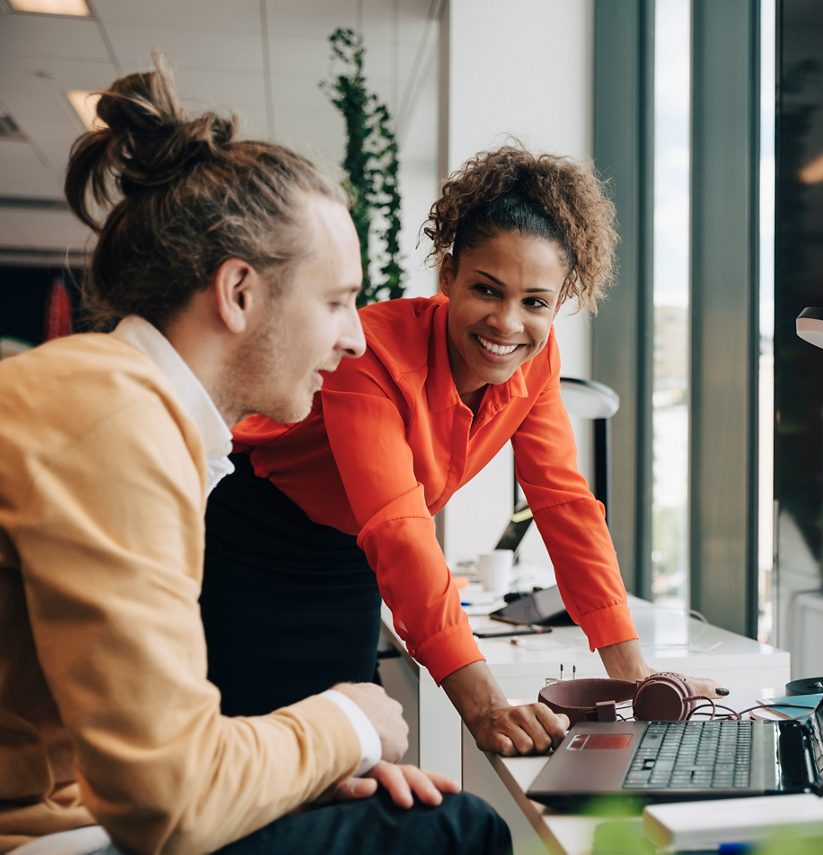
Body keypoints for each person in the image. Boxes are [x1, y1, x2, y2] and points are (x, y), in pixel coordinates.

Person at [0, 60, 509, 855]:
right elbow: (169, 802)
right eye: (338, 301)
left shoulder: (130, 407)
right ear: (240, 293)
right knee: (458, 831)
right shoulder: (113, 420)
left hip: (80, 811)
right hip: (44, 838)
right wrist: (348, 721)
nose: (353, 336)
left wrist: (303, 769)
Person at [201, 144, 721, 756]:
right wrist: (485, 704)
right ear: (448, 276)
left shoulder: (538, 360)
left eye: (535, 303)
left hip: (347, 556)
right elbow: (397, 525)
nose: (507, 323)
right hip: (253, 536)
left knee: (344, 759)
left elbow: (563, 502)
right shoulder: (369, 353)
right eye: (486, 289)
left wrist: (635, 676)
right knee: (252, 753)